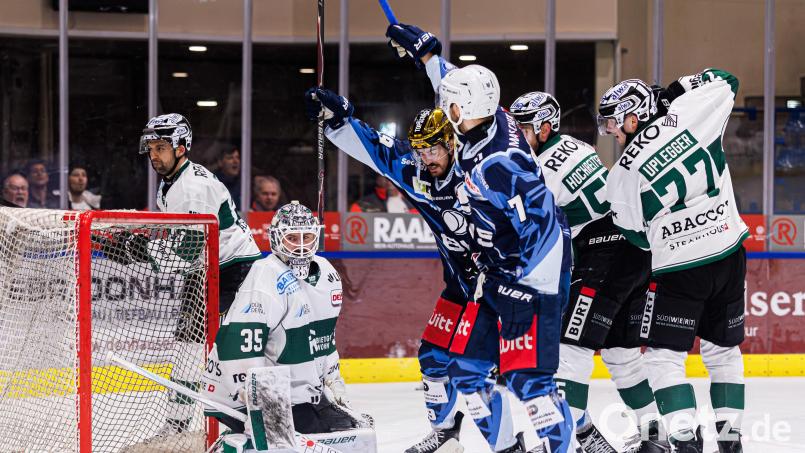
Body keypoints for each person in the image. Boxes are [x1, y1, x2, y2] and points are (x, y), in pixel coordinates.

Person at [387, 24, 575, 453]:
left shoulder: (497, 163)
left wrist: (530, 288)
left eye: (449, 104)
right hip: (502, 275)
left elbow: (540, 226)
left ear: (461, 108)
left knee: (530, 382)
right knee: (467, 375)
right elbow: (459, 88)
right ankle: (508, 449)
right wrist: (428, 55)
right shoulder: (492, 122)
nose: (445, 108)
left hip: (533, 278)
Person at [306, 89, 520, 453]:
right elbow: (376, 148)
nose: (425, 158)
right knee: (432, 358)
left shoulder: (480, 170)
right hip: (458, 286)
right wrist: (339, 121)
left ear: (451, 143)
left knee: (473, 372)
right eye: (420, 150)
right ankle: (445, 433)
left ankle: (509, 448)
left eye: (433, 149)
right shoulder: (415, 168)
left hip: (496, 287)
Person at [597, 71, 748, 452]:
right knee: (723, 352)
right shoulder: (689, 112)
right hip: (730, 252)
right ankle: (731, 444)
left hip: (680, 267)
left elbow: (634, 235)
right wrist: (679, 88)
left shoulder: (622, 173)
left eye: (614, 122)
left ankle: (685, 444)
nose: (613, 131)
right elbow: (727, 81)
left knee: (664, 360)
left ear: (633, 118)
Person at [509, 92, 668, 452]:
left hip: (602, 256)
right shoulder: (577, 146)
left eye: (523, 128)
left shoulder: (536, 169)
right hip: (632, 250)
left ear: (545, 126)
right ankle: (656, 439)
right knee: (622, 356)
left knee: (570, 351)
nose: (518, 136)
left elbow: (538, 229)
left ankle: (561, 443)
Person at [108, 113, 262, 438]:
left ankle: (250, 421)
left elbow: (185, 252)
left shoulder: (191, 188)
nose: (153, 156)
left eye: (161, 147)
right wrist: (138, 239)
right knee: (188, 350)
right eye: (150, 148)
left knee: (217, 352)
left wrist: (135, 253)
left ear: (181, 147)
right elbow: (179, 238)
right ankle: (178, 425)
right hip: (208, 269)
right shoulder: (172, 183)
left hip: (235, 271)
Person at [201, 201, 369, 437]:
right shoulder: (265, 274)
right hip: (238, 394)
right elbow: (241, 349)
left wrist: (332, 381)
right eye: (292, 238)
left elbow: (324, 340)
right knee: (312, 437)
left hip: (292, 392)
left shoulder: (328, 273)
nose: (300, 247)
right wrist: (260, 409)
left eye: (307, 237)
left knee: (345, 429)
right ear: (277, 238)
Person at [350, 175, 415, 213]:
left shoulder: (414, 202)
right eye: (385, 176)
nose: (389, 181)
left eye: (393, 176)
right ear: (378, 180)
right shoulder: (364, 204)